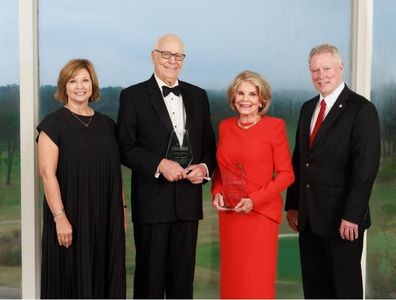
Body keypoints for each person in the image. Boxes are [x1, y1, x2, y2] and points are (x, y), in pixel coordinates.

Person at [117, 33, 216, 299]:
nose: (173, 61)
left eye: (178, 56)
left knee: (183, 284)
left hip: (187, 204)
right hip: (152, 204)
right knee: (149, 281)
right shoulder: (133, 96)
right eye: (166, 54)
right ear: (153, 56)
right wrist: (159, 164)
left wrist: (204, 169)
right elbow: (125, 148)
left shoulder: (198, 96)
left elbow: (209, 148)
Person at [285, 44, 381, 298]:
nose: (321, 75)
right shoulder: (308, 108)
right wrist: (293, 205)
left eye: (326, 68)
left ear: (340, 68)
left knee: (344, 291)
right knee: (315, 290)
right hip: (308, 220)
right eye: (314, 70)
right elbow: (300, 160)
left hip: (342, 221)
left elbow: (366, 168)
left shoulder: (362, 110)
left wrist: (352, 215)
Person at [37, 59, 126, 298]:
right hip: (70, 216)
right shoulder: (52, 124)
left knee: (105, 276)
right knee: (70, 279)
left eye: (85, 80)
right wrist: (60, 218)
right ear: (64, 87)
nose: (79, 86)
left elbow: (114, 173)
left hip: (106, 216)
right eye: (73, 81)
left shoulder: (108, 125)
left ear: (93, 84)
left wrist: (122, 210)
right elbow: (47, 174)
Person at [211, 70, 295, 298]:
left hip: (260, 216)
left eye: (252, 94)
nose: (245, 99)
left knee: (256, 282)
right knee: (232, 282)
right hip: (230, 215)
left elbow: (287, 174)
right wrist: (217, 191)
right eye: (240, 93)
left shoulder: (274, 127)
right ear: (233, 97)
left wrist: (254, 200)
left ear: (262, 100)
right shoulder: (225, 127)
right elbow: (221, 169)